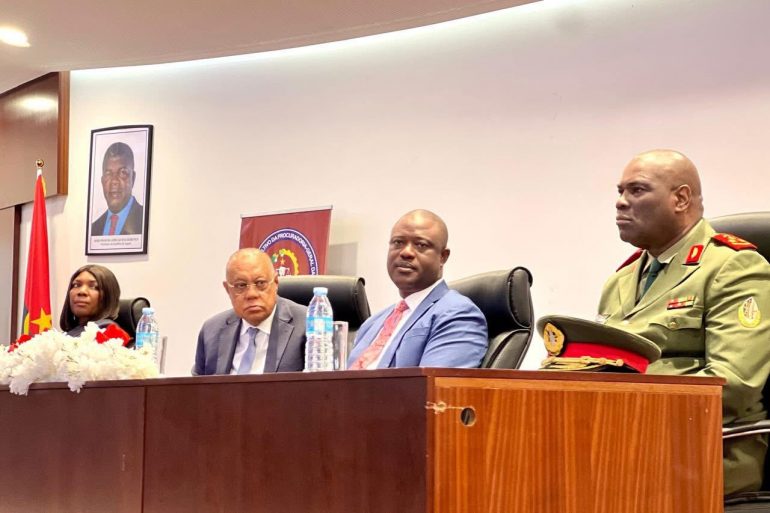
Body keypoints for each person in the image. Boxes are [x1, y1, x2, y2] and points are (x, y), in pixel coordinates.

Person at [597, 149, 770, 495]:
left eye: (637, 190)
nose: (621, 202)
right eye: (620, 191)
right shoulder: (621, 281)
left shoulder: (732, 267)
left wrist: (626, 415)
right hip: (628, 443)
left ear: (681, 199)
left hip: (706, 448)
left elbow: (733, 383)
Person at [347, 209, 488, 369]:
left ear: (443, 257)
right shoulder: (372, 324)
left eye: (421, 245)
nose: (406, 252)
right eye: (398, 242)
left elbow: (433, 383)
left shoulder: (458, 315)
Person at [193, 248, 307, 375]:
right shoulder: (211, 331)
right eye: (241, 285)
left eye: (260, 283)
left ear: (275, 283)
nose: (251, 294)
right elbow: (198, 386)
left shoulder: (308, 325)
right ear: (228, 290)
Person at [90, 142, 144, 236]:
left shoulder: (146, 219)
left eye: (122, 173)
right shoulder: (93, 229)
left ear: (133, 178)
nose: (114, 181)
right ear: (102, 181)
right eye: (108, 174)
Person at [59, 264, 121, 337]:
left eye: (93, 287)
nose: (82, 291)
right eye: (76, 285)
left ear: (108, 295)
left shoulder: (106, 332)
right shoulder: (70, 332)